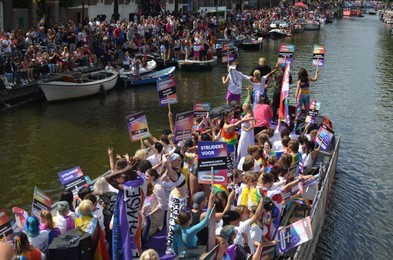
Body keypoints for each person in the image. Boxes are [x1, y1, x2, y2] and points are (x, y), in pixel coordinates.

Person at [105, 159, 147, 259]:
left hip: (127, 219)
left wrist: (125, 169)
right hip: (136, 217)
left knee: (127, 244)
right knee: (136, 243)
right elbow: (137, 172)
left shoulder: (126, 188)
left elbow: (108, 178)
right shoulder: (142, 181)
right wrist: (128, 169)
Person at [143, 168, 167, 237]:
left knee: (151, 233)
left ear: (153, 177)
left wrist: (150, 214)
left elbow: (162, 204)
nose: (145, 177)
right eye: (145, 175)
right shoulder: (147, 185)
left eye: (147, 176)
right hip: (148, 213)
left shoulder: (158, 188)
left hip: (155, 216)